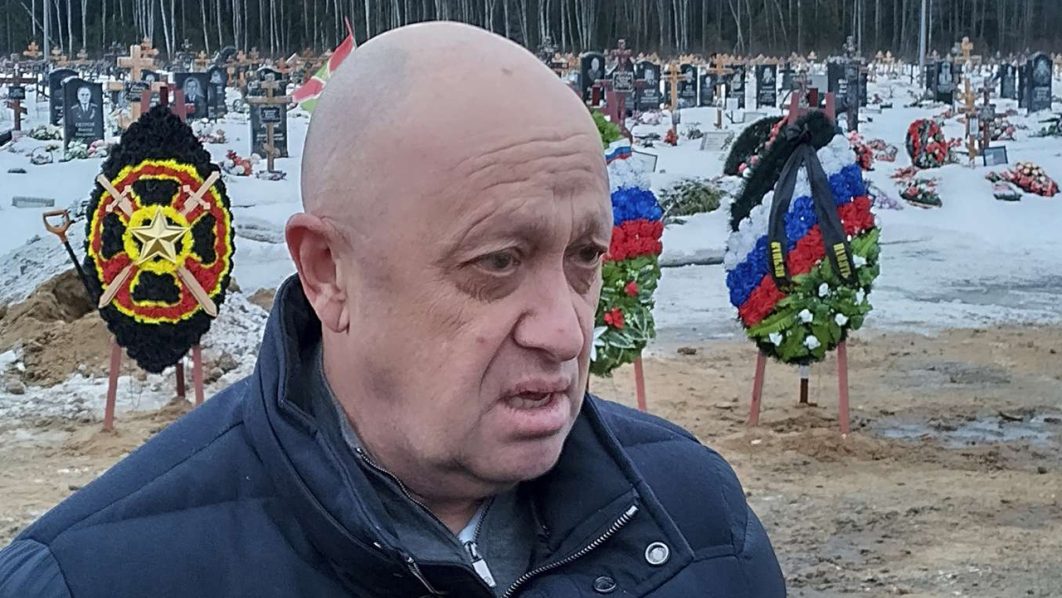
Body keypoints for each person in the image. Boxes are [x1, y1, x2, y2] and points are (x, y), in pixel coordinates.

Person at [0, 23, 784, 597]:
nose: (563, 330)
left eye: (585, 257)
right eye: (497, 262)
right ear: (328, 272)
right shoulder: (94, 578)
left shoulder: (697, 524)